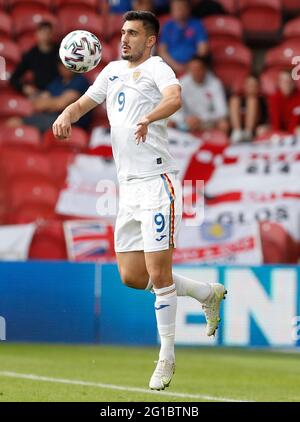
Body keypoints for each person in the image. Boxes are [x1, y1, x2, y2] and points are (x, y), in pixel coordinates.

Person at [52, 11, 226, 391]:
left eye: (133, 33)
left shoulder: (159, 68)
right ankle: (204, 292)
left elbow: (175, 98)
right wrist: (66, 113)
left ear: (150, 40)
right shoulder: (111, 70)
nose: (125, 39)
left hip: (156, 183)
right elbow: (84, 103)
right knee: (133, 277)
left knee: (159, 274)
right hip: (127, 188)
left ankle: (166, 358)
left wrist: (149, 117)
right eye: (123, 32)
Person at [7, 61, 90, 132]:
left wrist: (49, 103)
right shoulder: (57, 81)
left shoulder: (80, 80)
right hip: (51, 117)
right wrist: (52, 103)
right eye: (61, 64)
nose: (64, 67)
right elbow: (38, 104)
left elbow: (60, 105)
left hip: (71, 123)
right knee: (13, 122)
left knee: (18, 123)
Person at [169, 55, 229, 133]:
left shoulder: (215, 83)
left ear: (205, 69)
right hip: (187, 122)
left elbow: (222, 111)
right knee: (168, 123)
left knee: (224, 124)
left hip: (208, 121)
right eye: (193, 69)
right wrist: (186, 119)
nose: (196, 72)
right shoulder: (181, 83)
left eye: (198, 69)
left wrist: (201, 118)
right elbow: (171, 109)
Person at [158, 0, 208, 75]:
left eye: (182, 7)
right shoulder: (168, 26)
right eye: (176, 8)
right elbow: (162, 51)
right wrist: (176, 66)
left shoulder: (197, 25)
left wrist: (191, 65)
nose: (179, 11)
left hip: (192, 68)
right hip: (170, 67)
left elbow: (203, 50)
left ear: (188, 8)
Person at [10, 21, 59, 98]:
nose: (45, 36)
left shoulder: (60, 52)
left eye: (48, 33)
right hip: (39, 94)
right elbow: (13, 79)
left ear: (52, 34)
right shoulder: (31, 54)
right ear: (36, 34)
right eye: (42, 32)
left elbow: (69, 74)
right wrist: (24, 88)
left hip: (60, 91)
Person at [229, 75, 268, 143]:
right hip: (238, 130)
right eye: (249, 85)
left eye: (253, 85)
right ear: (244, 86)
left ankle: (248, 133)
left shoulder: (263, 100)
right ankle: (237, 132)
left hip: (254, 131)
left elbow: (267, 120)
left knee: (252, 100)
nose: (251, 88)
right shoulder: (239, 99)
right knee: (234, 100)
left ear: (259, 87)